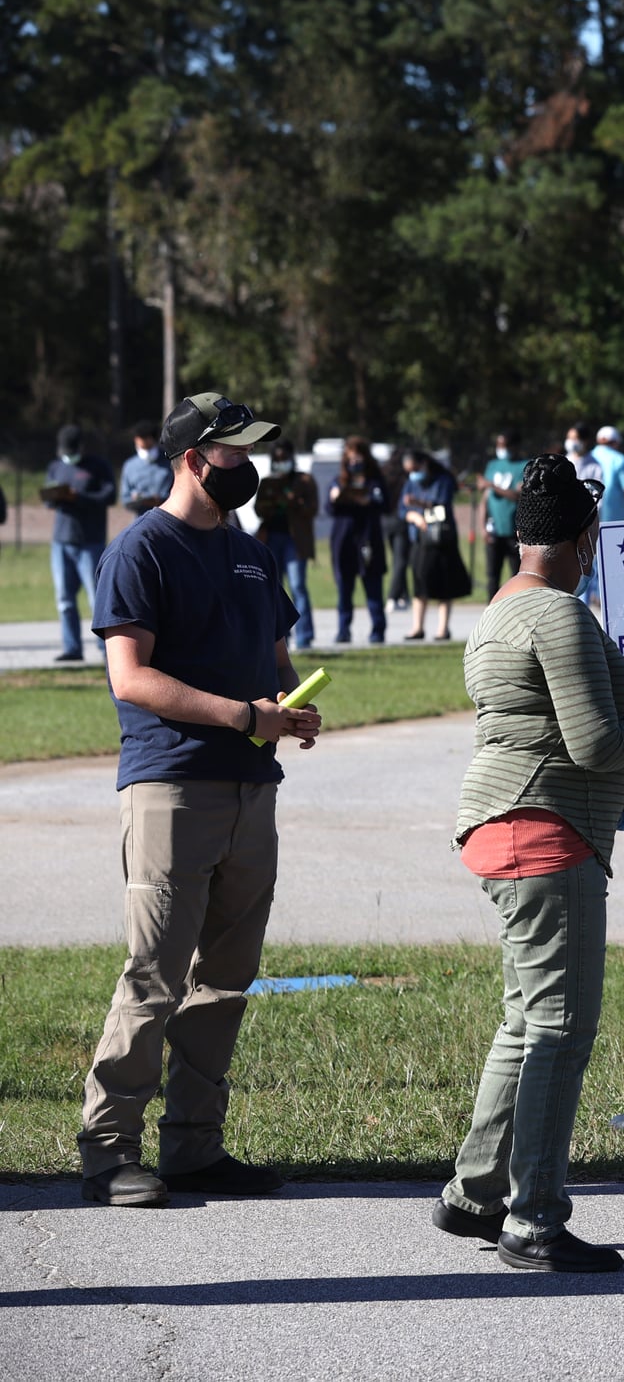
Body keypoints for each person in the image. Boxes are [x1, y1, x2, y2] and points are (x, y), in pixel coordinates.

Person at [80, 391, 322, 1209]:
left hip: (253, 788)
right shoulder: (141, 549)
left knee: (225, 978)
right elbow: (131, 677)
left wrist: (289, 706)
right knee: (154, 973)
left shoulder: (252, 555)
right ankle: (108, 1149)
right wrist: (245, 715)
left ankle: (193, 1147)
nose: (250, 467)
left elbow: (273, 655)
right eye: (234, 453)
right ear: (191, 460)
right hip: (172, 786)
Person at [439, 454, 624, 1272]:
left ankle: (475, 1195)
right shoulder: (560, 616)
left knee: (523, 1023)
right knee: (559, 1031)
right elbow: (599, 743)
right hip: (546, 837)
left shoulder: (499, 611)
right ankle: (532, 1219)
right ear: (584, 539)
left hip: (504, 827)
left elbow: (545, 735)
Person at [44, 424, 118, 663]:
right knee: (64, 599)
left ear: (81, 447)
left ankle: (106, 650)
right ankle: (72, 648)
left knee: (96, 599)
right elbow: (47, 498)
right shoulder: (56, 467)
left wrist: (79, 498)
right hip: (61, 543)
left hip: (90, 542)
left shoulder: (98, 466)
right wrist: (55, 498)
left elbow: (109, 496)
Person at [253, 440, 318, 651]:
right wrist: (272, 503)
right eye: (277, 459)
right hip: (271, 538)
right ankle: (281, 639)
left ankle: (305, 637)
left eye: (285, 458)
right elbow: (259, 509)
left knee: (298, 586)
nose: (281, 462)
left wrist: (293, 500)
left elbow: (313, 509)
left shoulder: (305, 481)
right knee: (274, 589)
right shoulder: (267, 482)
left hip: (294, 540)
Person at [403, 450, 471, 639]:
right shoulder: (410, 482)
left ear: (424, 463)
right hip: (419, 539)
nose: (413, 473)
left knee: (444, 583)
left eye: (415, 469)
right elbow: (402, 508)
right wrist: (412, 515)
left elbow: (441, 505)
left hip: (441, 539)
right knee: (419, 581)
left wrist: (418, 504)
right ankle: (417, 627)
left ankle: (443, 628)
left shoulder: (443, 480)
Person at [327, 436, 389, 644]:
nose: (354, 463)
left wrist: (367, 500)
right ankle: (343, 630)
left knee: (373, 588)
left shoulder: (376, 482)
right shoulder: (338, 481)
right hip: (344, 542)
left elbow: (386, 505)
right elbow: (329, 509)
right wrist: (336, 497)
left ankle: (378, 630)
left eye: (358, 458)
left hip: (369, 540)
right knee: (344, 589)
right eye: (350, 459)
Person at [481, 430, 526, 597]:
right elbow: (485, 499)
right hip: (494, 529)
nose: (501, 449)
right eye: (498, 445)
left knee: (517, 574)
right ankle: (491, 613)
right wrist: (482, 526)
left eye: (504, 445)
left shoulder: (524, 466)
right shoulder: (493, 465)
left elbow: (517, 495)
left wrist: (492, 486)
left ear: (515, 446)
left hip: (515, 530)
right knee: (492, 575)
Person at [380, 447, 414, 611]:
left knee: (398, 559)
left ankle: (404, 596)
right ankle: (392, 596)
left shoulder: (384, 473)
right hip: (400, 520)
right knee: (400, 561)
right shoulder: (404, 477)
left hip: (386, 521)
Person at [590, 425, 624, 524]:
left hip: (590, 520)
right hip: (615, 520)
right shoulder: (620, 459)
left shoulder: (589, 457)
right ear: (616, 442)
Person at [119, 422, 174, 516]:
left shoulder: (169, 462)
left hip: (167, 516)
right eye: (142, 448)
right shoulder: (130, 465)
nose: (145, 451)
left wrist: (159, 499)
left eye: (148, 447)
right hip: (141, 518)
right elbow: (125, 499)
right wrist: (139, 500)